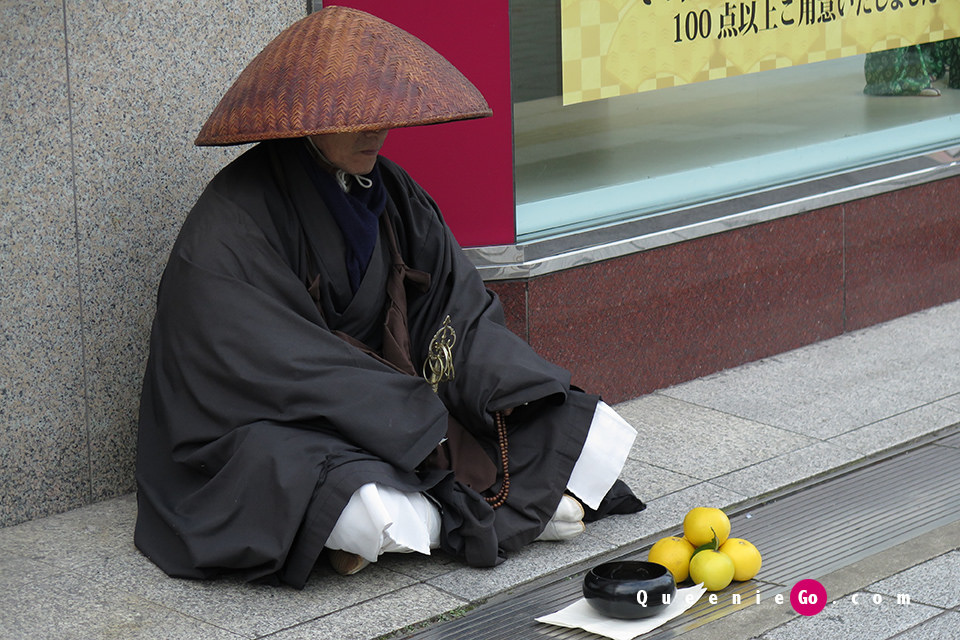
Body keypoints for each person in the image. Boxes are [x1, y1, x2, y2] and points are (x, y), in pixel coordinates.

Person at [134, 6, 643, 588]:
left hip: (384, 398)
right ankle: (474, 514)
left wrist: (493, 382)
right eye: (354, 116)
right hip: (271, 415)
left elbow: (456, 307)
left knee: (576, 420)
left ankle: (451, 512)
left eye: (381, 114)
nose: (374, 130)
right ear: (305, 119)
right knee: (355, 505)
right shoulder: (233, 219)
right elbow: (272, 360)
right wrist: (402, 413)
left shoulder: (391, 190)